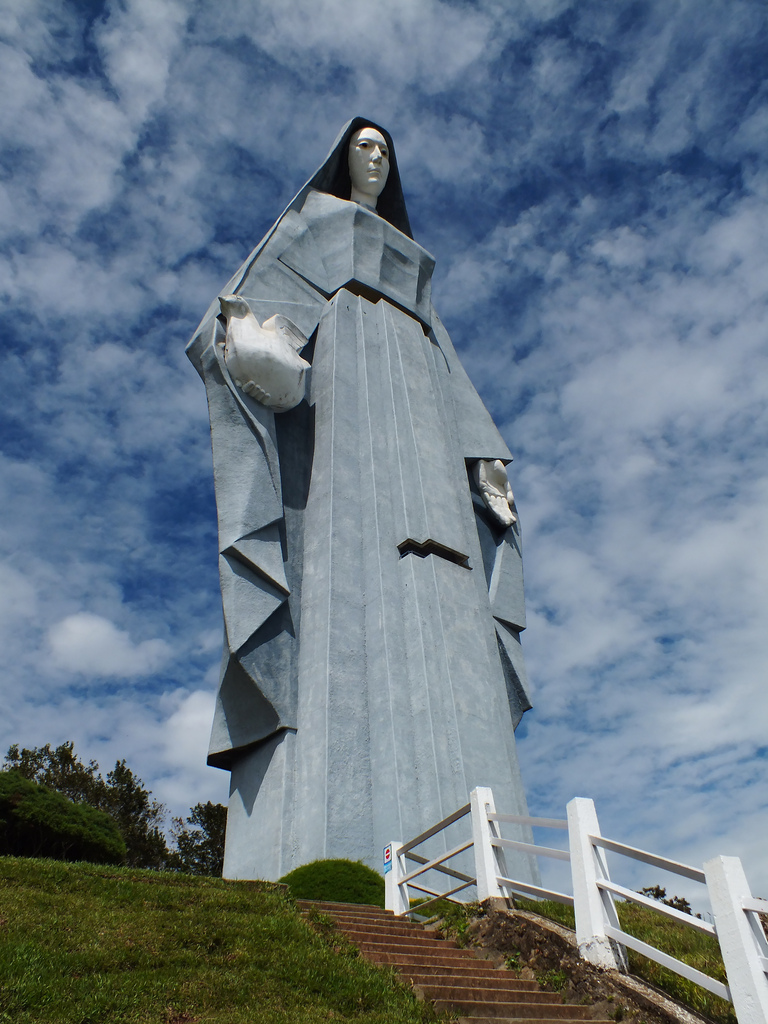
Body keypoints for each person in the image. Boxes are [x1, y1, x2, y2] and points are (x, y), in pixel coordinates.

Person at [187, 118, 536, 882]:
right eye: (363, 147)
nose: (375, 158)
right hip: (347, 413)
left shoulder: (415, 278)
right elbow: (242, 316)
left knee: (450, 605)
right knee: (343, 595)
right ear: (343, 158)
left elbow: (455, 379)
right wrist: (248, 345)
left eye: (386, 150)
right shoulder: (318, 224)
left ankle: (494, 872)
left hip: (424, 432)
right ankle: (342, 857)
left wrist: (485, 467)